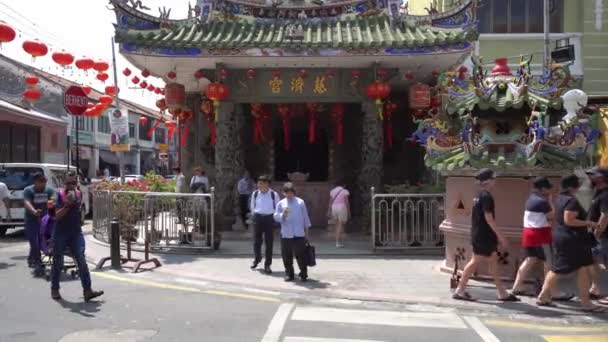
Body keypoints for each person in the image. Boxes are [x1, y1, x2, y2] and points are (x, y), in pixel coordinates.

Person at [536, 175, 606, 312]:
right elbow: (569, 219)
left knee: (580, 268)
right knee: (560, 269)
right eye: (579, 185)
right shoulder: (573, 200)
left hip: (566, 237)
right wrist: (590, 223)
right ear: (571, 187)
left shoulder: (561, 198)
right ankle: (584, 303)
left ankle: (583, 302)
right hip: (572, 239)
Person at [452, 168, 519, 302]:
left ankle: (502, 292)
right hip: (484, 235)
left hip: (480, 234)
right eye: (493, 179)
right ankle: (460, 290)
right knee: (475, 261)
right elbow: (489, 218)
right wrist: (501, 236)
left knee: (492, 262)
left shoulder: (478, 195)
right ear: (488, 181)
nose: (495, 181)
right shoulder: (487, 197)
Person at [510, 177, 572, 300]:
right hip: (541, 235)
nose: (549, 191)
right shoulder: (542, 202)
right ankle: (551, 291)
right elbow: (552, 215)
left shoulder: (530, 200)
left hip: (528, 234)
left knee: (530, 260)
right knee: (549, 263)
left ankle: (517, 286)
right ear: (542, 188)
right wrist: (550, 200)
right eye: (548, 188)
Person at [51, 172, 103, 301]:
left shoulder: (79, 194)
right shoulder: (59, 195)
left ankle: (87, 290)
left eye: (73, 183)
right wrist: (67, 205)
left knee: (81, 260)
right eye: (68, 183)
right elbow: (56, 216)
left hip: (75, 232)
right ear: (64, 184)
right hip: (60, 233)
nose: (71, 186)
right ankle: (55, 289)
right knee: (58, 261)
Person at [274, 182, 311, 282]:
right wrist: (283, 215)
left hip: (299, 233)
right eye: (287, 193)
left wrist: (307, 233)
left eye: (291, 192)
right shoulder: (281, 203)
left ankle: (303, 273)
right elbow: (276, 216)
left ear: (294, 192)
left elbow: (305, 218)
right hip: (286, 234)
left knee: (301, 255)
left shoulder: (300, 202)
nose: (289, 195)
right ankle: (289, 274)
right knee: (286, 255)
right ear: (284, 193)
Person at [23, 173, 55, 275]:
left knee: (44, 241)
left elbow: (53, 200)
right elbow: (27, 202)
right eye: (40, 181)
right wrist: (34, 211)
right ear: (35, 182)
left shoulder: (49, 190)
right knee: (34, 241)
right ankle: (37, 262)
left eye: (44, 181)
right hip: (31, 220)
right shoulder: (28, 190)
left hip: (45, 220)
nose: (42, 184)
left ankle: (31, 257)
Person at [586, 167, 608, 305]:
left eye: (593, 175)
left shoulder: (606, 194)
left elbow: (605, 216)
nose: (590, 177)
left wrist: (597, 232)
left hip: (603, 235)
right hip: (597, 235)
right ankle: (595, 288)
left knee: (604, 263)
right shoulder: (597, 193)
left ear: (601, 178)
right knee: (593, 261)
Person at [250, 175, 280, 274]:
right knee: (256, 242)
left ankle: (267, 264)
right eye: (259, 183)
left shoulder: (273, 194)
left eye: (263, 183)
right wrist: (254, 216)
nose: (261, 185)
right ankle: (257, 258)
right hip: (258, 218)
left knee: (269, 243)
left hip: (269, 219)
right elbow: (252, 206)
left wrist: (275, 219)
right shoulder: (255, 194)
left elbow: (277, 207)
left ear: (268, 184)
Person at [328, 180, 350, 248]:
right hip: (342, 207)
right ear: (343, 185)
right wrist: (349, 210)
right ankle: (338, 242)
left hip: (334, 207)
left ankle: (338, 241)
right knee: (340, 225)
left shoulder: (332, 191)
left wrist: (329, 210)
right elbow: (346, 201)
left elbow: (330, 201)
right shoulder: (345, 191)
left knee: (336, 225)